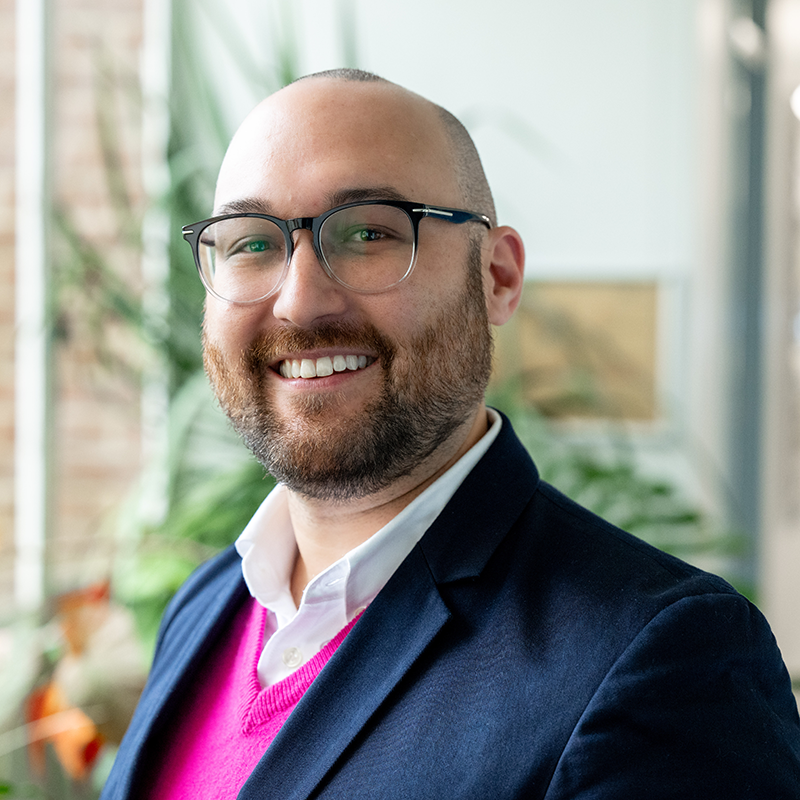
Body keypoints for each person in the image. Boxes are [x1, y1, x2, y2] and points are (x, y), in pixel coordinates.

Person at [101, 69, 800, 799]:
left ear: (496, 277)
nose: (299, 302)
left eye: (369, 231)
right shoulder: (207, 604)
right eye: (250, 244)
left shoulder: (662, 660)